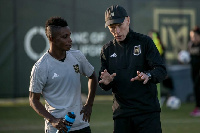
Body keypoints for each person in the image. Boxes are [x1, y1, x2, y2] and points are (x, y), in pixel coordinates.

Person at [98, 5, 167, 133]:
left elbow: (161, 70)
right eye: (112, 27)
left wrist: (148, 75)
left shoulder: (145, 42)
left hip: (147, 114)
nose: (117, 31)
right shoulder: (107, 50)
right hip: (122, 115)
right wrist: (106, 82)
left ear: (128, 20)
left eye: (120, 25)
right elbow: (103, 81)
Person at [29, 16, 97, 133]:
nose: (70, 40)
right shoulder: (40, 67)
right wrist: (53, 120)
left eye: (69, 35)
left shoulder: (77, 56)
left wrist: (89, 104)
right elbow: (33, 100)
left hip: (82, 126)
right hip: (57, 129)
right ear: (52, 38)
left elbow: (92, 76)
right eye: (65, 37)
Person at [188, 26, 200, 117]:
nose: (193, 38)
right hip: (194, 69)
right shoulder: (191, 44)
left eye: (195, 36)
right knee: (196, 88)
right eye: (191, 36)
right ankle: (197, 107)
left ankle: (198, 107)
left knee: (198, 86)